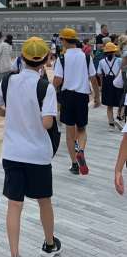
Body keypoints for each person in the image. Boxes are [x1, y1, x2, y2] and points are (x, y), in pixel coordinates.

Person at [0, 37, 61, 257]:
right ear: (46, 60)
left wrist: (11, 115)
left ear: (22, 57)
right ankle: (49, 244)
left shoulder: (9, 81)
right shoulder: (45, 87)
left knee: (14, 205)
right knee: (44, 201)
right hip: (38, 154)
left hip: (12, 153)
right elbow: (47, 122)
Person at [53, 27, 100, 176]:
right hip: (82, 96)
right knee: (81, 129)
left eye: (61, 39)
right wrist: (97, 97)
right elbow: (93, 78)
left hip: (67, 96)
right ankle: (81, 150)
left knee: (69, 132)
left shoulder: (62, 58)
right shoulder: (86, 57)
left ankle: (74, 164)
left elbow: (58, 79)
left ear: (65, 40)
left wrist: (49, 90)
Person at [97, 42, 122, 129]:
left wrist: (101, 85)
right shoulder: (119, 60)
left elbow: (99, 74)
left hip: (107, 81)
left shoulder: (101, 61)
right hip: (117, 81)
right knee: (120, 102)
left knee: (109, 104)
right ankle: (118, 118)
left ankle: (111, 123)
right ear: (114, 52)